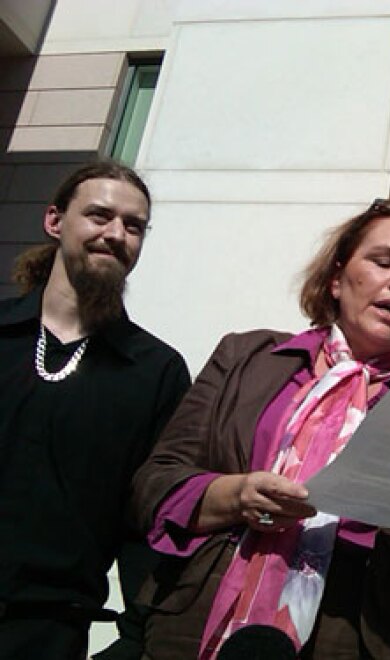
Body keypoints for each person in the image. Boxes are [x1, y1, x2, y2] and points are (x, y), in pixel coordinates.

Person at [131, 197, 390, 659]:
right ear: (336, 278)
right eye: (384, 262)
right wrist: (236, 496)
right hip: (196, 628)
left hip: (353, 639)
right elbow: (156, 486)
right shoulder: (244, 358)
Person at [0, 161, 191, 659]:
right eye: (99, 215)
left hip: (47, 632)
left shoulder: (155, 372)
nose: (115, 234)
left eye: (133, 226)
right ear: (55, 221)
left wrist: (135, 639)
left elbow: (147, 519)